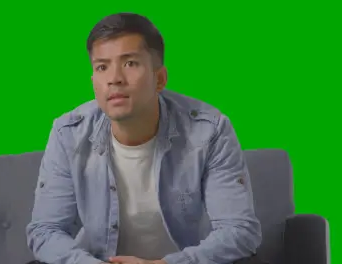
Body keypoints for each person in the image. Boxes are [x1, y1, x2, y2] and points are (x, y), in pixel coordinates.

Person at [26, 12, 262, 264]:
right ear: (93, 79)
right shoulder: (68, 133)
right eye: (102, 67)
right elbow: (45, 231)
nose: (114, 79)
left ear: (159, 78)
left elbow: (240, 231)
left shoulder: (209, 130)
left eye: (130, 63)